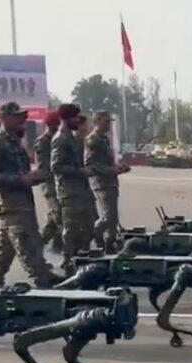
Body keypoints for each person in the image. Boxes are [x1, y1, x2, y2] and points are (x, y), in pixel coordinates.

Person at [0, 101, 57, 288]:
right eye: (17, 118)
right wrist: (21, 180)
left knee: (6, 246)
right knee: (26, 242)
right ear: (5, 119)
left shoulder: (15, 143)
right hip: (9, 203)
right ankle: (41, 278)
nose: (22, 121)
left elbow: (21, 173)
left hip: (22, 200)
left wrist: (34, 177)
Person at [51, 103, 95, 272]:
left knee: (86, 225)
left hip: (78, 189)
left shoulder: (70, 136)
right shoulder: (60, 139)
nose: (78, 120)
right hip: (68, 191)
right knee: (71, 227)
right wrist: (80, 171)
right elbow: (56, 167)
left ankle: (77, 256)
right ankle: (68, 259)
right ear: (67, 118)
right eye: (75, 117)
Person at [84, 110, 130, 253]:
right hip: (101, 183)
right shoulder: (93, 140)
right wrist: (112, 171)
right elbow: (91, 164)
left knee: (113, 217)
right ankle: (91, 235)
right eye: (106, 121)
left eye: (110, 121)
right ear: (97, 121)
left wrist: (118, 167)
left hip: (110, 182)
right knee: (108, 216)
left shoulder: (103, 139)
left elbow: (104, 162)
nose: (109, 124)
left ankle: (110, 243)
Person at [33, 110, 63, 252]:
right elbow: (44, 167)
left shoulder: (58, 139)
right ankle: (65, 250)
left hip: (60, 183)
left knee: (54, 217)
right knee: (59, 215)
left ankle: (43, 244)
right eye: (55, 124)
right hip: (50, 184)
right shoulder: (43, 142)